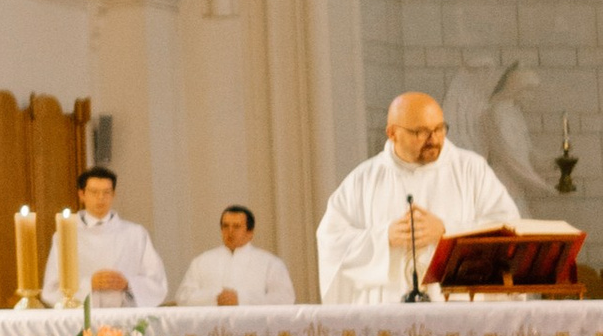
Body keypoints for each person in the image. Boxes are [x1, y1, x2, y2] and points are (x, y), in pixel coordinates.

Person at [317, 92, 515, 304]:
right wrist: (384, 238)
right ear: (392, 133)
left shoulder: (471, 170)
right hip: (388, 311)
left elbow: (508, 230)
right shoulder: (363, 180)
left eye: (439, 129)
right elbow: (331, 241)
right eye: (421, 132)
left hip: (456, 307)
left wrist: (447, 232)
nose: (434, 139)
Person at [42, 164, 167, 310]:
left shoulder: (136, 234)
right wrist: (89, 285)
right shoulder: (65, 236)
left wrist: (128, 283)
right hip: (82, 316)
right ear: (82, 195)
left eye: (106, 192)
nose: (100, 198)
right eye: (94, 192)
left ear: (113, 195)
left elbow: (157, 282)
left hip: (125, 315)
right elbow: (52, 289)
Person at [177, 205, 297, 308]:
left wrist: (241, 299)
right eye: (225, 226)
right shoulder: (201, 261)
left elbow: (285, 298)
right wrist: (214, 298)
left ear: (250, 232)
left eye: (236, 226)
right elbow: (183, 297)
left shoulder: (271, 263)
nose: (230, 232)